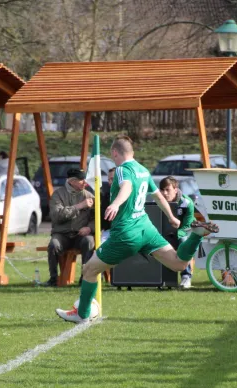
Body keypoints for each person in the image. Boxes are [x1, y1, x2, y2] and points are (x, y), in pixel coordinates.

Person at [56, 136, 218, 323]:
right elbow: (157, 196)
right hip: (146, 228)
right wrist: (171, 217)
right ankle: (196, 236)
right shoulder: (143, 170)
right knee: (179, 264)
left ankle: (82, 314)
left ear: (115, 153)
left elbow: (127, 186)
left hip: (127, 233)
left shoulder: (122, 170)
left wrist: (115, 204)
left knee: (89, 270)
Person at [44, 168, 95, 287]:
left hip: (81, 235)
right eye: (81, 180)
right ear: (71, 181)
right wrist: (79, 206)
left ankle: (85, 279)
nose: (85, 183)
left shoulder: (89, 196)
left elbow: (96, 218)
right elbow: (57, 216)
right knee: (53, 245)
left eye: (85, 180)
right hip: (62, 234)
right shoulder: (57, 195)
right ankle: (53, 279)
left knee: (89, 241)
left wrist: (89, 228)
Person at [159, 176, 195, 289]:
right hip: (163, 231)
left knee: (183, 242)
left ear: (175, 189)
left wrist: (176, 233)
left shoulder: (186, 202)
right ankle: (156, 278)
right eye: (162, 190)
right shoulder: (158, 200)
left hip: (184, 231)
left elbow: (188, 225)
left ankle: (186, 276)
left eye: (167, 190)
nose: (164, 193)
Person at [100, 167, 116, 244]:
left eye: (112, 179)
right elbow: (103, 217)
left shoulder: (130, 196)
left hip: (125, 231)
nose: (109, 182)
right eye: (108, 179)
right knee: (101, 247)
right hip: (109, 231)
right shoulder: (106, 196)